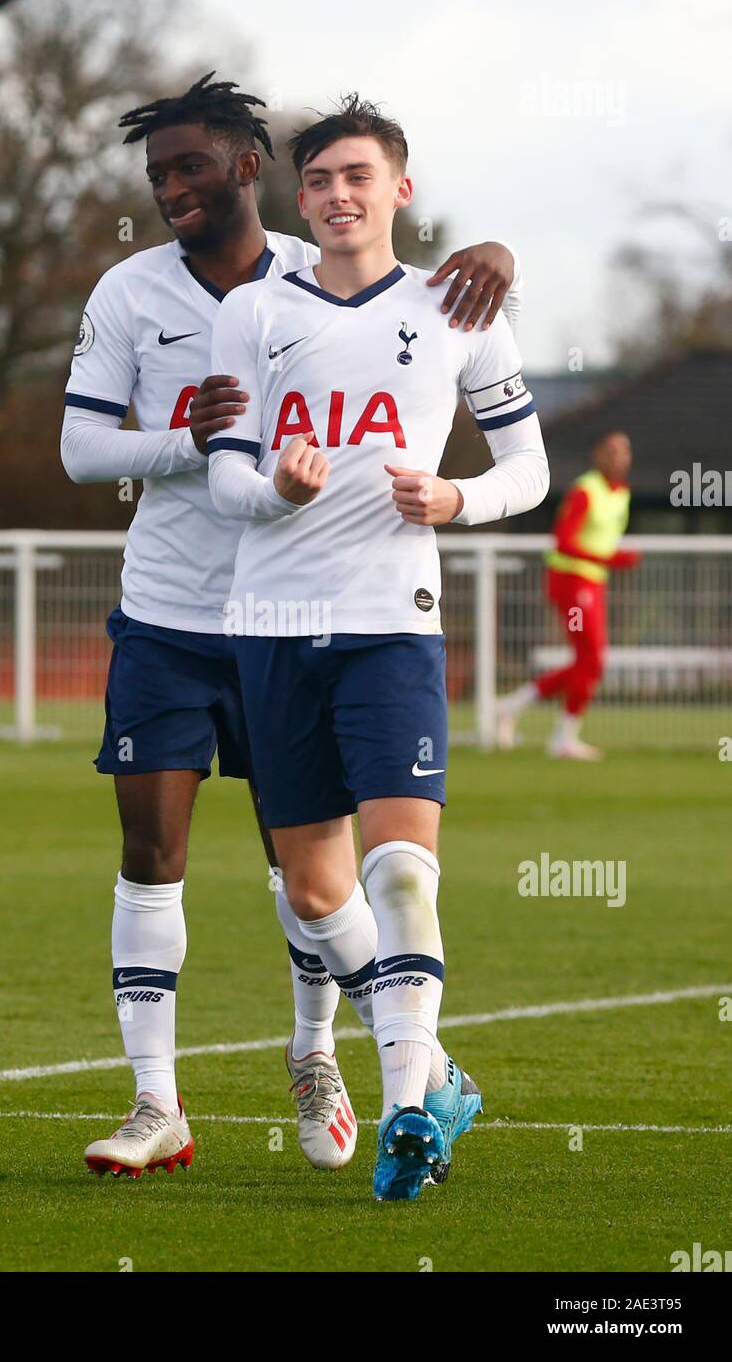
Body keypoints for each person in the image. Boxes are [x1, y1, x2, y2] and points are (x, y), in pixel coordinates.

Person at [61, 73, 523, 1180]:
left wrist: (498, 258)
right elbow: (83, 452)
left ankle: (320, 1052)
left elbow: (435, 328)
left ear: (249, 170)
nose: (173, 188)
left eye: (190, 168)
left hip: (318, 614)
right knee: (156, 850)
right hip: (177, 614)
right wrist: (197, 441)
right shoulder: (136, 293)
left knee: (307, 876)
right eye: (158, 173)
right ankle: (157, 1101)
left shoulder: (326, 276)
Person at [207, 93, 549, 1200]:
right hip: (268, 624)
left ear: (400, 189)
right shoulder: (252, 315)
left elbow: (529, 470)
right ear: (299, 200)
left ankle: (406, 1106)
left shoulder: (460, 306)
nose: (339, 194)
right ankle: (437, 1065)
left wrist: (457, 494)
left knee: (403, 867)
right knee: (314, 892)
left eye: (360, 175)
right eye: (319, 181)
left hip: (392, 621)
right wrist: (273, 489)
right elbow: (223, 476)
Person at [496, 430, 640, 761]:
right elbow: (564, 541)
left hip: (591, 582)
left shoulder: (622, 492)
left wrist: (608, 561)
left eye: (624, 450)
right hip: (571, 581)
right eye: (612, 450)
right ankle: (561, 736)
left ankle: (514, 708)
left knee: (588, 661)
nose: (619, 457)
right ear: (597, 454)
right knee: (591, 659)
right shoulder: (585, 490)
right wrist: (611, 559)